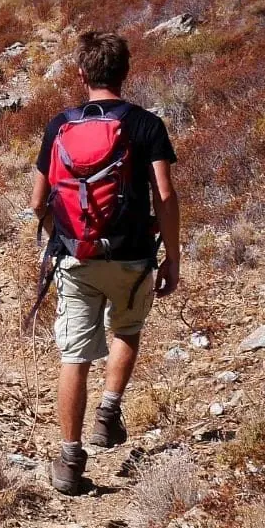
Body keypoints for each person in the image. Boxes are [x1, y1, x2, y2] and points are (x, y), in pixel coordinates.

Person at [28, 32, 180, 495]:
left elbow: (37, 203)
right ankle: (108, 413)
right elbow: (166, 195)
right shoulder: (147, 125)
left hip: (76, 257)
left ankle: (71, 462)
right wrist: (173, 256)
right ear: (125, 71)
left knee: (74, 357)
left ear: (82, 74)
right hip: (133, 256)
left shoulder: (60, 126)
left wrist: (67, 237)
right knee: (126, 331)